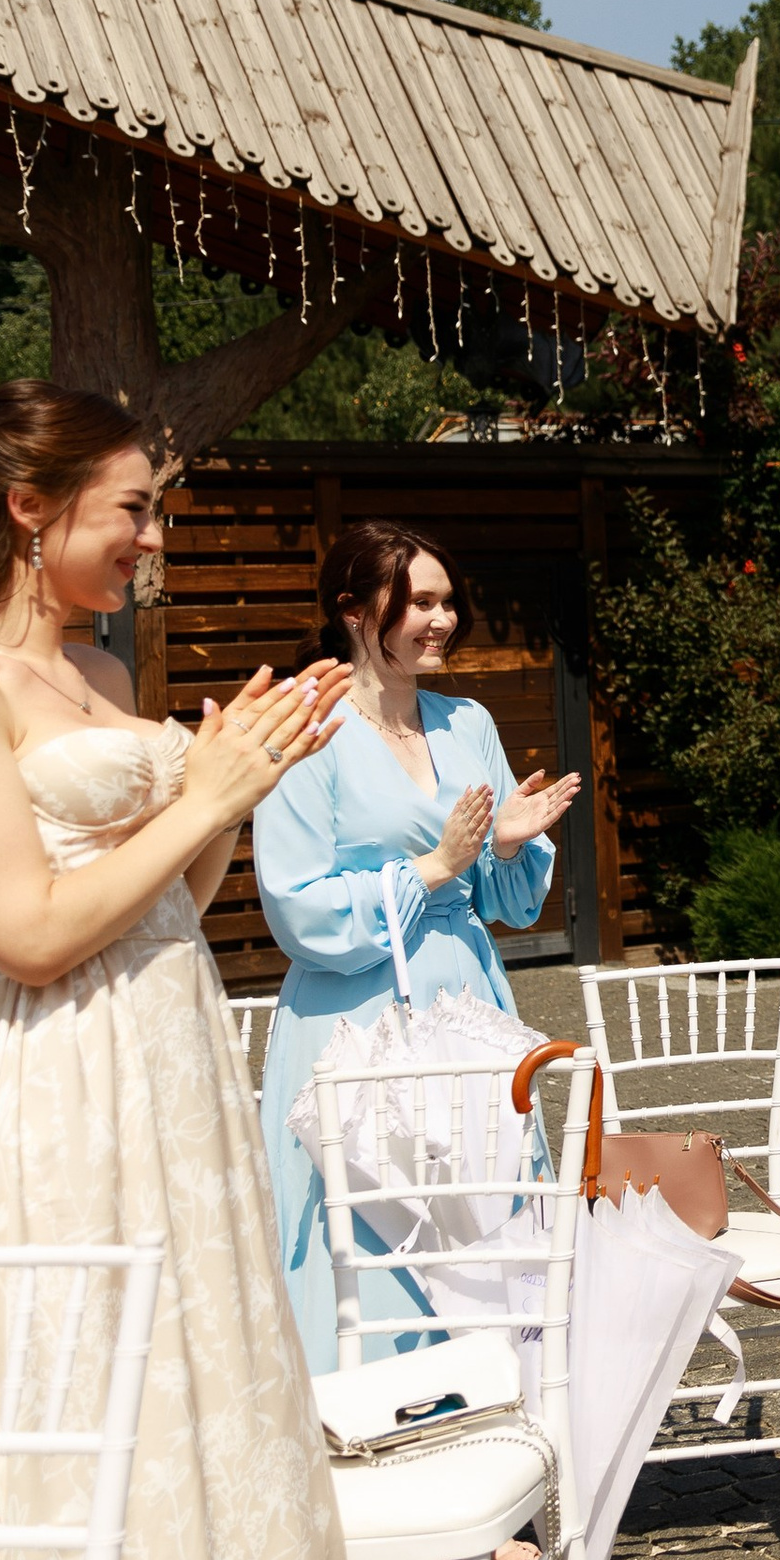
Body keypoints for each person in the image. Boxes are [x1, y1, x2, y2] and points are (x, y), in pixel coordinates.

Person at [0, 380, 351, 1560]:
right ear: (28, 506)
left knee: (152, 1495)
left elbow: (172, 904)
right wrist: (203, 794)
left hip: (170, 1084)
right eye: (129, 506)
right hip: (61, 1109)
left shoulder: (104, 674)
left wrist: (237, 790)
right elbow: (32, 933)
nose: (150, 537)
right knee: (73, 1511)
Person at [254, 519, 580, 1377]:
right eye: (420, 603)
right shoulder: (308, 728)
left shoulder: (468, 722)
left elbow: (506, 902)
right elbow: (298, 908)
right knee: (371, 1227)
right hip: (353, 1016)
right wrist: (431, 868)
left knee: (484, 1209)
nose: (443, 620)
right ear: (354, 611)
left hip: (467, 999)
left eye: (448, 602)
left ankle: (499, 1410)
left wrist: (505, 847)